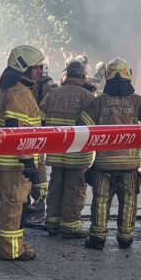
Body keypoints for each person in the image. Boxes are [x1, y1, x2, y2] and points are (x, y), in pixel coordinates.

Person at [79, 57, 141, 250]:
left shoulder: (99, 103)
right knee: (129, 201)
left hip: (104, 164)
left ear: (107, 77)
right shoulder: (137, 101)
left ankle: (97, 238)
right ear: (128, 77)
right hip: (129, 165)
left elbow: (82, 125)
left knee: (101, 201)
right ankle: (125, 237)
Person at [0, 45, 45, 261]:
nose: (40, 71)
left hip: (11, 160)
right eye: (36, 67)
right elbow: (19, 132)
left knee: (15, 205)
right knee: (14, 207)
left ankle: (17, 244)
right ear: (24, 68)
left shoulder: (10, 88)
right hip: (17, 162)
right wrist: (29, 163)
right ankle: (11, 251)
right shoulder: (19, 93)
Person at [37, 61, 96, 238]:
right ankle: (70, 227)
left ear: (66, 75)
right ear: (83, 77)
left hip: (56, 150)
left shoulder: (53, 93)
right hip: (77, 153)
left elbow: (40, 119)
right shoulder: (87, 96)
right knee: (75, 188)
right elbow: (95, 124)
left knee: (55, 186)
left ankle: (52, 222)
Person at [22, 65, 58, 229]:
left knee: (39, 168)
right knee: (28, 169)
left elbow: (44, 112)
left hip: (39, 134)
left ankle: (37, 209)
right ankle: (26, 208)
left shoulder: (46, 86)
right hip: (28, 133)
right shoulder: (26, 84)